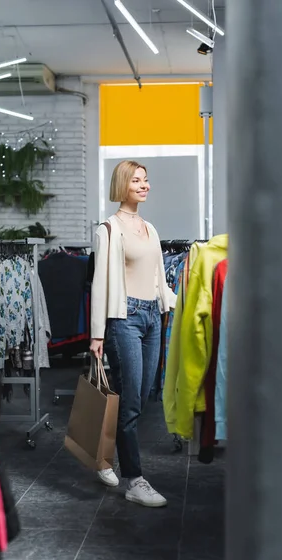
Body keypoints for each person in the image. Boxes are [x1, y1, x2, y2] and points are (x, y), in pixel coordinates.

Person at [90, 160, 176, 508]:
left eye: (146, 180)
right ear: (123, 185)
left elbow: (158, 276)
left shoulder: (149, 228)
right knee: (132, 404)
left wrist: (172, 304)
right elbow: (99, 284)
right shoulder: (109, 229)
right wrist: (98, 334)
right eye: (137, 180)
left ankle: (103, 456)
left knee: (137, 398)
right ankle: (134, 480)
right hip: (123, 318)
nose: (145, 185)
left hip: (152, 317)